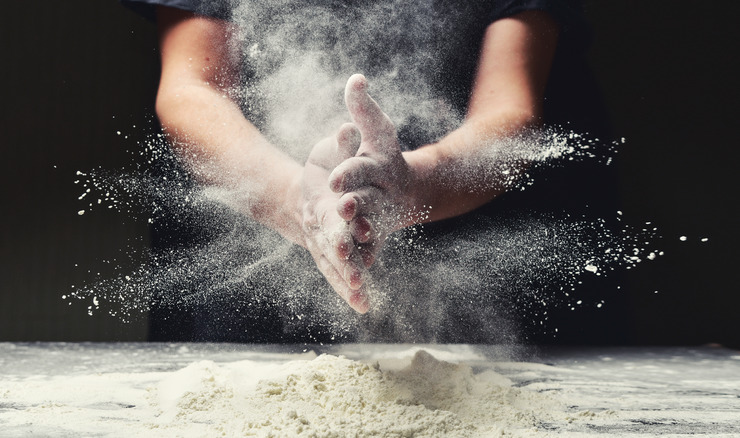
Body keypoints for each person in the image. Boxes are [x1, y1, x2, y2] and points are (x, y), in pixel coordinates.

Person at [123, 0, 624, 343]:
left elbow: (508, 114)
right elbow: (193, 90)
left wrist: (409, 186)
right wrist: (296, 199)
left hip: (473, 222)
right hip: (251, 239)